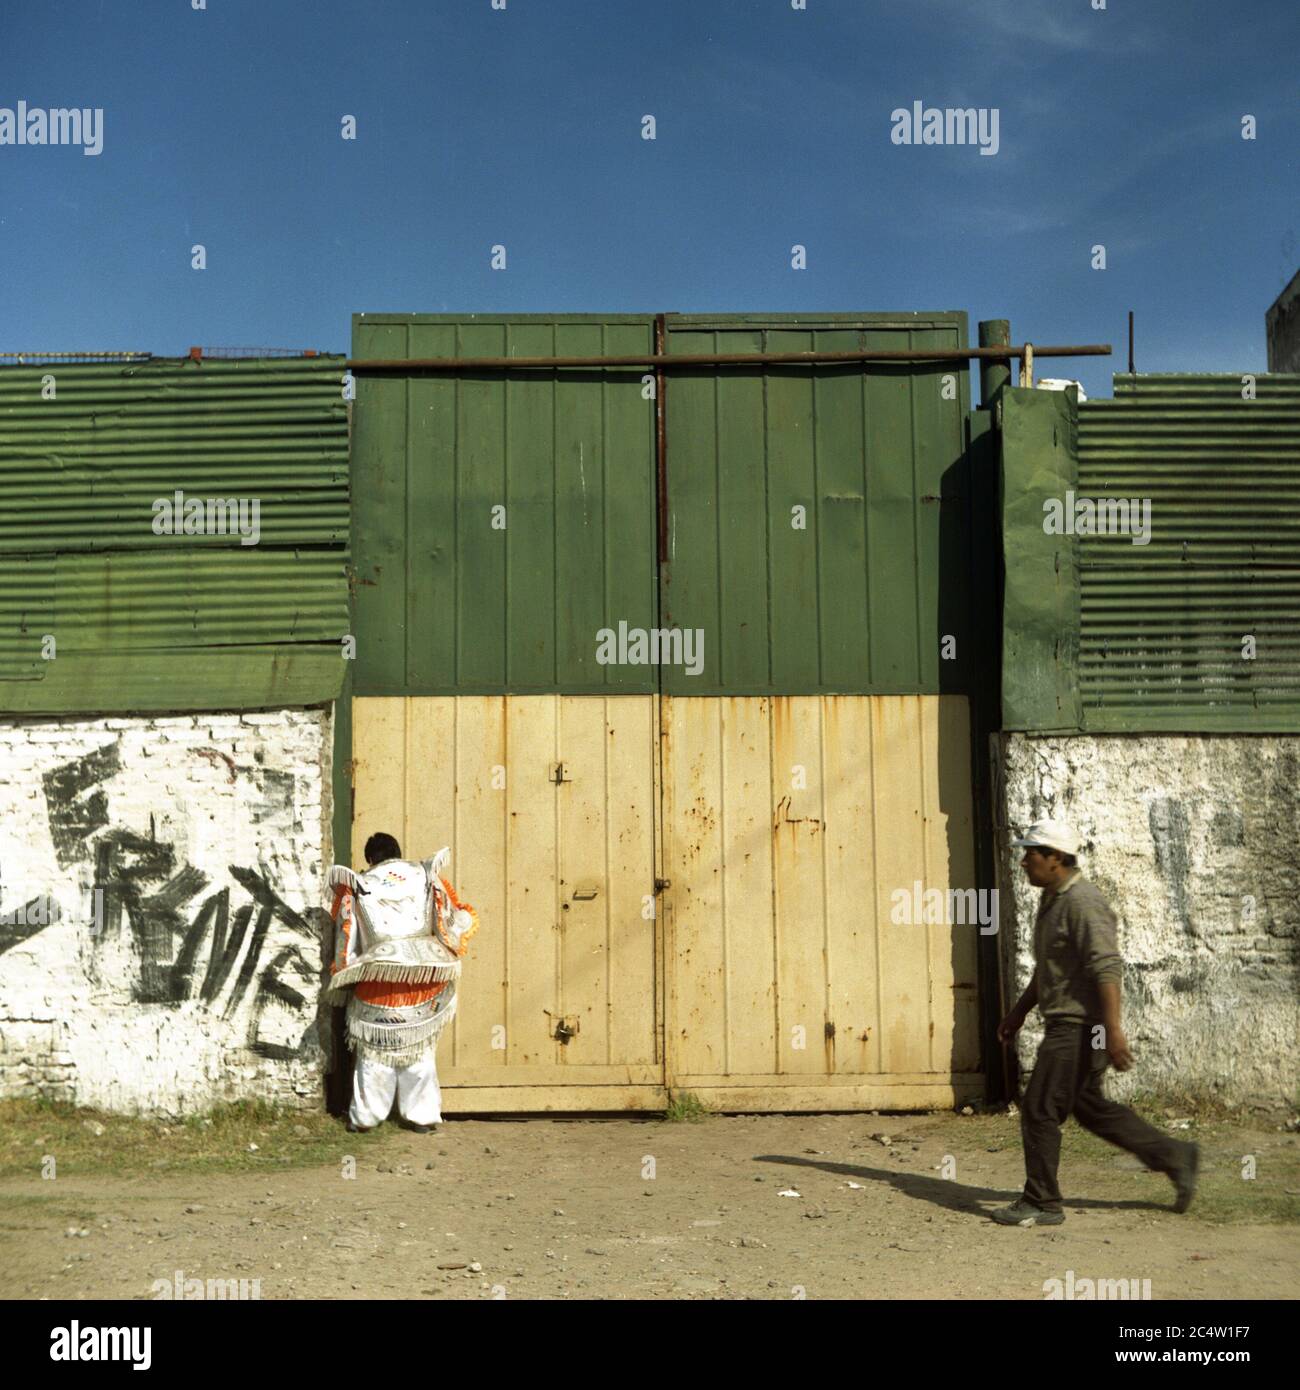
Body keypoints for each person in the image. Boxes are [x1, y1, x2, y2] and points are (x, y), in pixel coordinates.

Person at [992, 820, 1198, 1226]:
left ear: (1055, 858)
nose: (1022, 863)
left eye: (1030, 855)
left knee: (1038, 1109)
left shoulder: (1083, 902)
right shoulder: (1053, 900)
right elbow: (1050, 969)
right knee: (1091, 1108)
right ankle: (1176, 1156)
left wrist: (1113, 1031)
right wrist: (1018, 1012)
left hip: (1079, 1028)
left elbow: (1106, 966)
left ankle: (1042, 1201)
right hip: (1070, 1025)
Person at [327, 832, 477, 1133]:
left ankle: (366, 1118)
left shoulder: (357, 885)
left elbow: (346, 937)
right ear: (398, 851)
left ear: (370, 859)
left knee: (373, 1054)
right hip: (422, 979)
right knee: (419, 1051)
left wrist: (344, 970)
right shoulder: (425, 875)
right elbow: (450, 920)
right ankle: (421, 1117)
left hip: (378, 981)